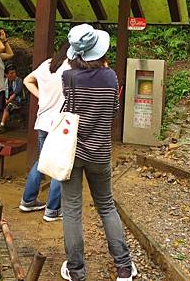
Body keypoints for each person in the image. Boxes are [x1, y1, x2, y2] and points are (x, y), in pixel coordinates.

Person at [59, 24, 136, 281]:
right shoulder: (111, 77)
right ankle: (124, 267)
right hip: (100, 153)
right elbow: (113, 111)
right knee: (106, 206)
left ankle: (76, 271)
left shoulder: (68, 78)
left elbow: (67, 112)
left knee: (71, 210)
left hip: (71, 154)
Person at [18, 42, 70, 222]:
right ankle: (52, 210)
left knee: (42, 161)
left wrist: (42, 95)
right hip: (60, 123)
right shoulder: (72, 68)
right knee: (58, 164)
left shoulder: (48, 64)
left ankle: (28, 200)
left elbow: (27, 80)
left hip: (43, 121)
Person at [0, 65, 24, 129]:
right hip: (7, 100)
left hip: (17, 100)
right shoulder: (5, 81)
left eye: (14, 73)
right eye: (11, 73)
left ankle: (2, 125)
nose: (14, 75)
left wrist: (7, 101)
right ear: (6, 75)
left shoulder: (19, 80)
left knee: (7, 106)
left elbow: (15, 94)